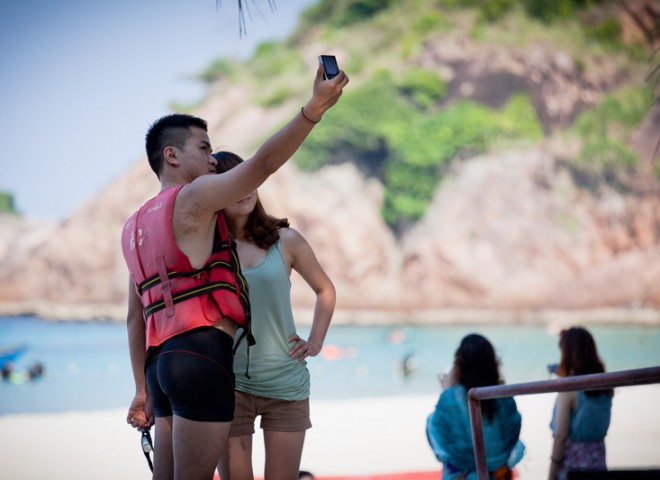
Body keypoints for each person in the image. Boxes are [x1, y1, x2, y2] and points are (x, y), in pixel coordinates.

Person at [121, 63, 348, 480]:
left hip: (160, 367)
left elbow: (137, 318)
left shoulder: (135, 224)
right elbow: (263, 163)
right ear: (172, 155)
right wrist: (314, 108)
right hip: (201, 358)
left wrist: (141, 389)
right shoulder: (194, 199)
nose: (211, 160)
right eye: (205, 150)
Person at [213, 151, 335, 480]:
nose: (243, 187)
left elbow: (325, 290)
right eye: (231, 181)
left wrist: (315, 342)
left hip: (286, 383)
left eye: (247, 177)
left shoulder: (286, 240)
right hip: (230, 385)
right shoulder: (209, 251)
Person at [426, 333, 525, 480]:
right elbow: (512, 434)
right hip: (497, 475)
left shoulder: (451, 398)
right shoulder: (503, 396)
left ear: (459, 364)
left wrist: (447, 390)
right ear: (493, 363)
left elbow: (438, 438)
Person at [548, 327, 613, 480]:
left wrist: (551, 472)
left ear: (567, 355)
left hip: (572, 469)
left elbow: (560, 436)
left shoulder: (569, 390)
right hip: (598, 463)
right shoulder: (605, 386)